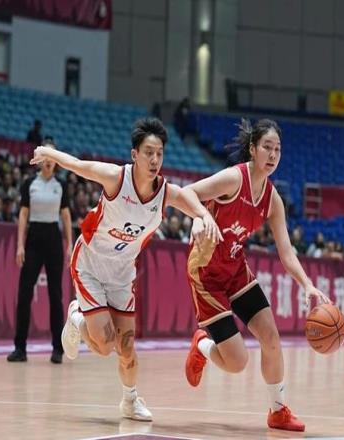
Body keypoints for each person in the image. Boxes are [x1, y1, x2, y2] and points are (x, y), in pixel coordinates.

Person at [29, 117, 221, 422]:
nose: (154, 160)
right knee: (105, 345)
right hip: (91, 263)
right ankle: (77, 317)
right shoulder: (116, 179)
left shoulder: (164, 192)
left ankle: (130, 401)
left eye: (159, 154)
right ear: (135, 154)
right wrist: (48, 152)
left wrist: (203, 217)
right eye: (148, 153)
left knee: (127, 347)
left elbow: (189, 198)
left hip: (121, 274)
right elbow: (78, 165)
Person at [183, 119, 330, 432]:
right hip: (206, 273)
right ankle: (203, 346)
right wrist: (200, 216)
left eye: (278, 149)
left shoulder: (273, 200)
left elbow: (286, 252)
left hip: (236, 270)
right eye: (267, 147)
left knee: (271, 338)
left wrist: (307, 284)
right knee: (237, 362)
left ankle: (278, 410)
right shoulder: (233, 179)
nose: (273, 154)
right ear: (252, 149)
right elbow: (187, 192)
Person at [7, 140, 73, 364]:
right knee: (24, 293)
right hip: (34, 238)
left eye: (52, 157)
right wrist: (20, 245)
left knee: (56, 295)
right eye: (45, 156)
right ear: (40, 159)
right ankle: (20, 348)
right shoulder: (29, 183)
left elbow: (66, 216)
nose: (48, 161)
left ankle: (57, 349)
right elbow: (23, 214)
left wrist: (69, 244)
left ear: (56, 161)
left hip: (53, 239)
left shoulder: (61, 185)